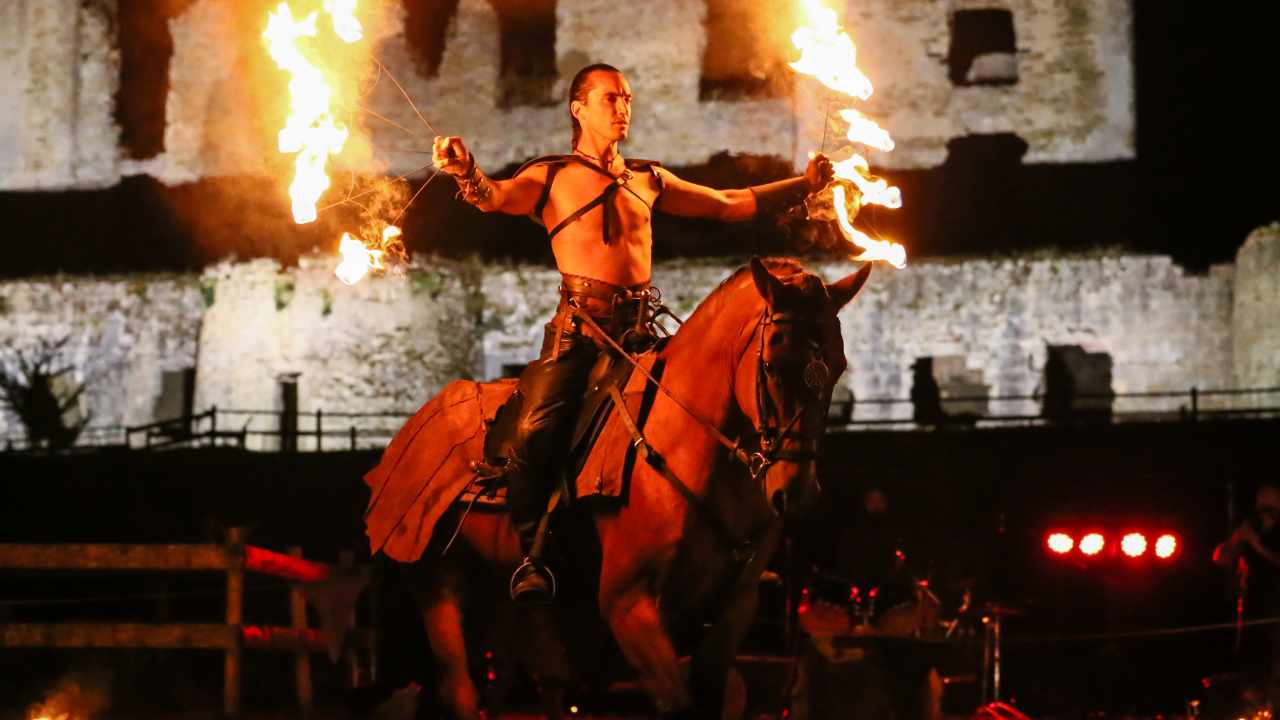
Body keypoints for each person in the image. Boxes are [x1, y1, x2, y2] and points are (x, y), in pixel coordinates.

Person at [431, 63, 834, 603]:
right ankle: (533, 555)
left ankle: (727, 546)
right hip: (579, 337)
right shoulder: (549, 176)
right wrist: (465, 171)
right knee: (535, 432)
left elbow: (728, 204)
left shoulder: (648, 178)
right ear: (579, 108)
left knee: (720, 409)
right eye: (610, 99)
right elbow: (494, 197)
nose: (623, 108)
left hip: (642, 334)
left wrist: (802, 184)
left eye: (627, 99)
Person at [1215, 484, 1280, 704]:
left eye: (1270, 501)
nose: (1264, 507)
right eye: (1260, 501)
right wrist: (1236, 540)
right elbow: (1220, 557)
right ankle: (1253, 703)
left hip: (1277, 601)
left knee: (1275, 655)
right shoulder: (1252, 525)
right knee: (1251, 655)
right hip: (1253, 599)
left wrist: (1257, 544)